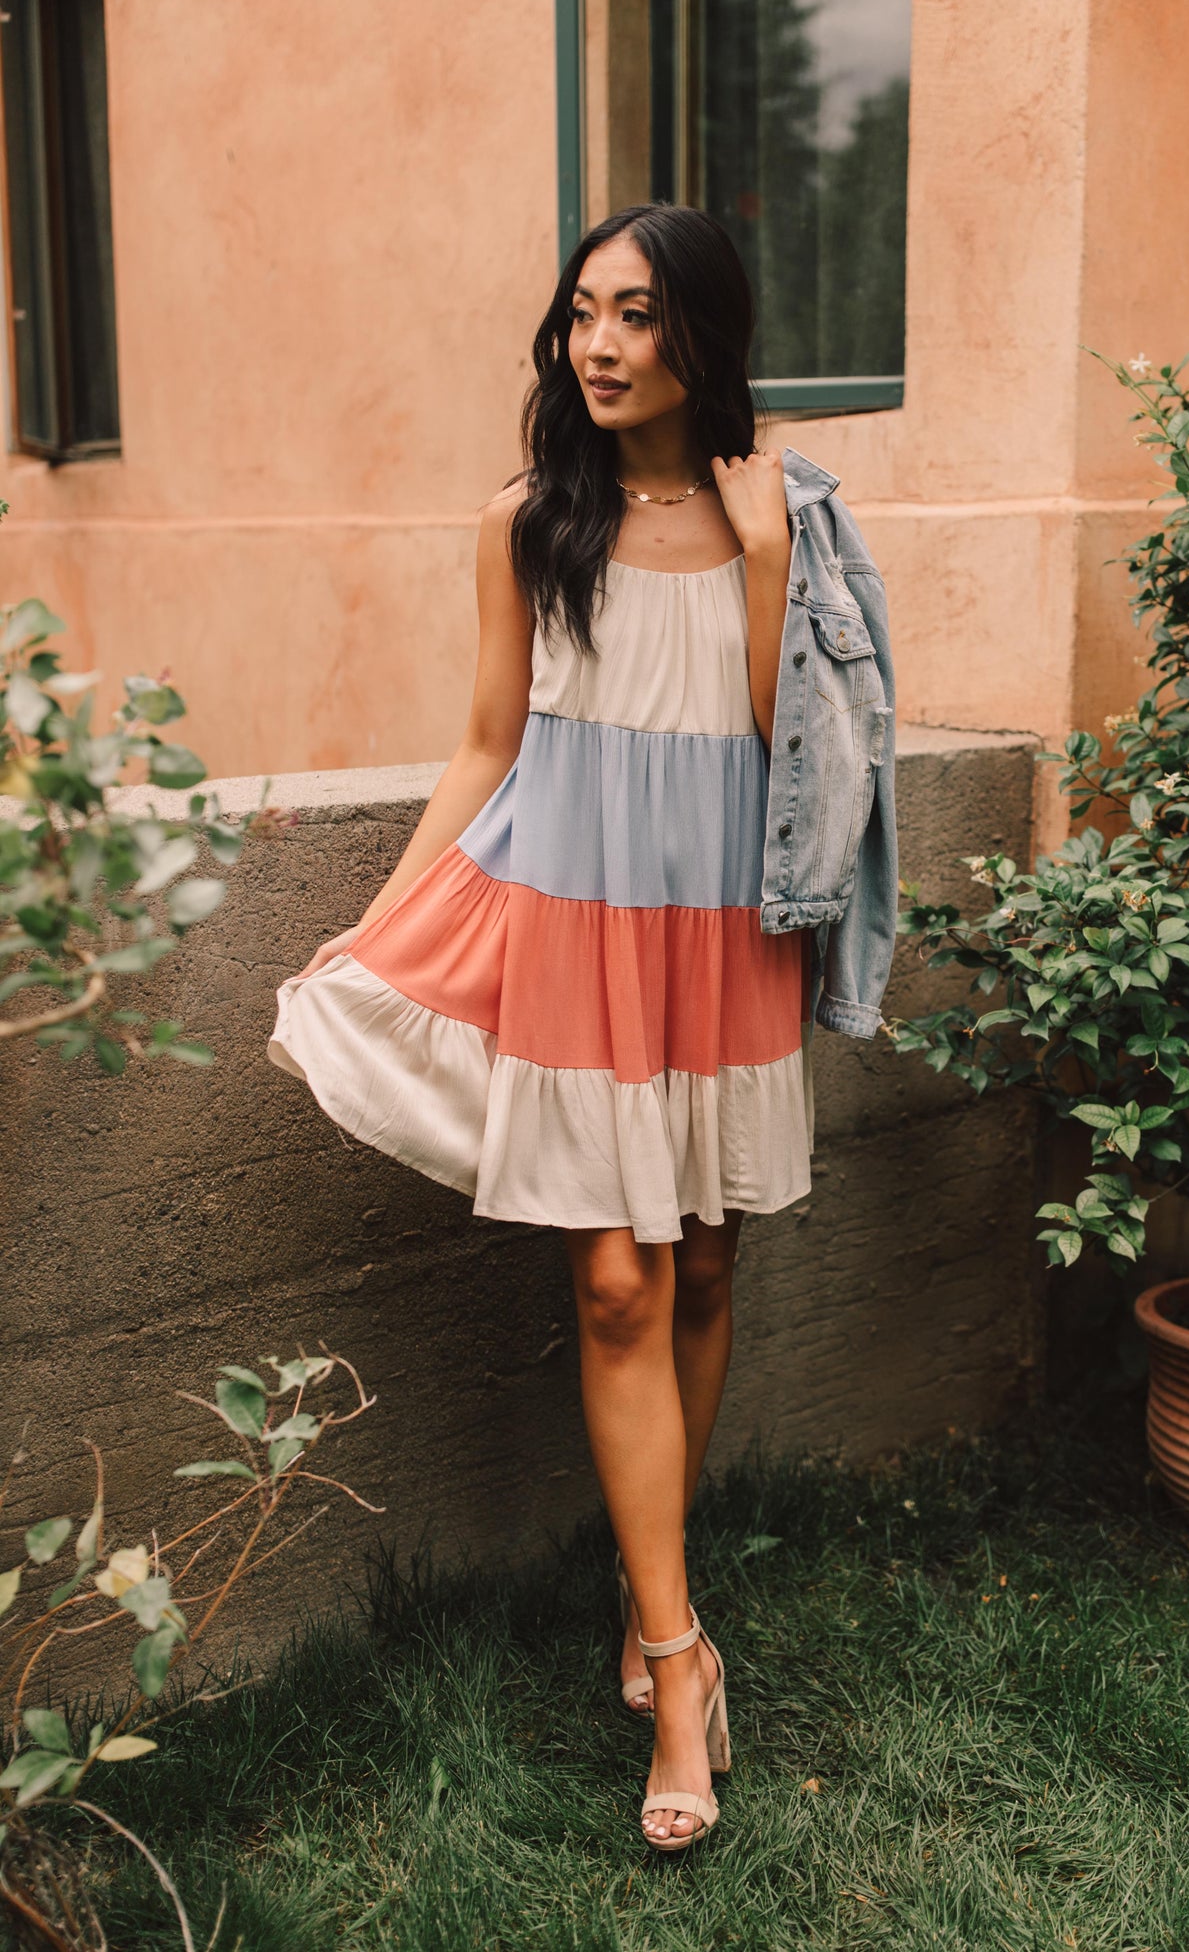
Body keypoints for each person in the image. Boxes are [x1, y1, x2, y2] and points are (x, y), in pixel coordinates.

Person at [268, 202, 897, 1852]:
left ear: (702, 333)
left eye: (631, 314)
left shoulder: (789, 518)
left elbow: (790, 751)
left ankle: (644, 1592)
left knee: (701, 1262)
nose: (597, 345)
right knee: (615, 1277)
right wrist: (386, 919)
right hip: (571, 930)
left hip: (719, 940)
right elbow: (487, 746)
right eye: (578, 314)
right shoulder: (526, 521)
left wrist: (763, 559)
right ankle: (679, 1662)